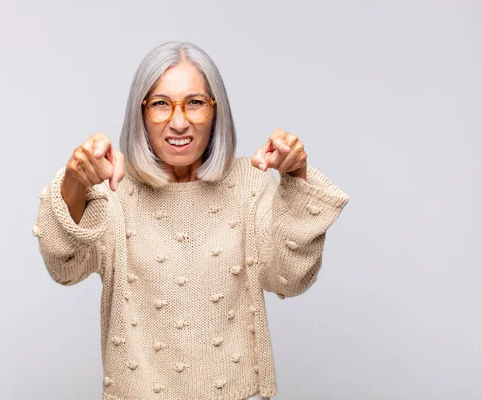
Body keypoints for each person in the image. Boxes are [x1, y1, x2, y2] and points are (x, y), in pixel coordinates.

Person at [33, 41, 350, 400]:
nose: (179, 122)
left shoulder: (250, 185)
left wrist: (297, 178)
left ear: (216, 112)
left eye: (195, 103)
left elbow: (291, 279)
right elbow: (63, 266)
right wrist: (76, 182)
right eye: (160, 104)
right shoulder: (113, 192)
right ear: (141, 112)